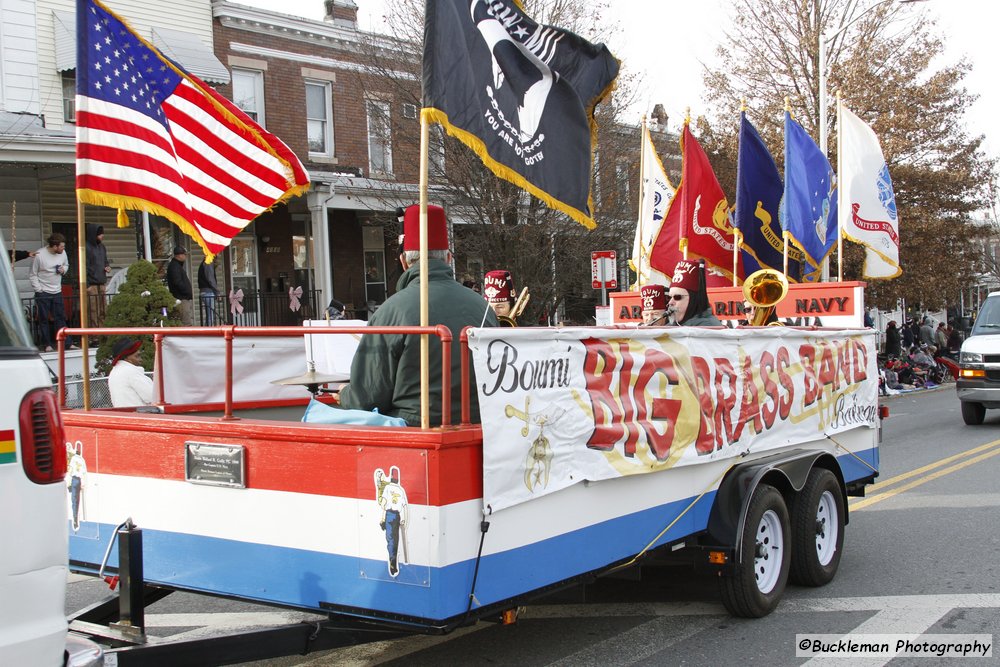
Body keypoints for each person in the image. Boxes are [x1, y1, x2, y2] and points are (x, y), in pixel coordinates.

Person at [339, 204, 499, 426]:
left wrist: (345, 393)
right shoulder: (483, 307)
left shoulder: (390, 311)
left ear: (404, 261)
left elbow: (366, 397)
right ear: (449, 258)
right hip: (481, 429)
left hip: (416, 431)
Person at [29, 233, 75, 352]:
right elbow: (33, 274)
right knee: (43, 319)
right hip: (43, 292)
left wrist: (63, 270)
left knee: (60, 317)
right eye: (61, 247)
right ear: (54, 246)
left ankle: (67, 343)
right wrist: (39, 289)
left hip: (57, 291)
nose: (63, 249)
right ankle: (47, 344)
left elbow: (66, 265)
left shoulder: (62, 253)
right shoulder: (40, 255)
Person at [667, 259, 722, 326]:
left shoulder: (707, 326)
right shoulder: (673, 325)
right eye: (669, 297)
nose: (670, 302)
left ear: (694, 299)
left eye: (677, 297)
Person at [108, 337, 154, 408]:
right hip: (138, 415)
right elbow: (151, 396)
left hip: (124, 414)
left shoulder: (115, 371)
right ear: (127, 358)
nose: (141, 359)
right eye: (137, 356)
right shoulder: (130, 371)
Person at [85, 224, 111, 331]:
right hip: (92, 284)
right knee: (93, 310)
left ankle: (103, 331)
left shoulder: (102, 247)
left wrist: (107, 266)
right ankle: (94, 334)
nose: (102, 236)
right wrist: (87, 284)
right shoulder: (86, 247)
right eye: (100, 234)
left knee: (103, 309)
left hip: (101, 282)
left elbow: (105, 261)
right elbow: (84, 266)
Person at [167, 246, 193, 326]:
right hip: (181, 298)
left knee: (185, 320)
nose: (185, 256)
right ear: (179, 255)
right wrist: (186, 291)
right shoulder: (175, 267)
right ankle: (188, 338)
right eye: (184, 254)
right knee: (186, 323)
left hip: (183, 298)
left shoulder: (177, 266)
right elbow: (177, 282)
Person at [198, 259, 220, 326]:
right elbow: (211, 279)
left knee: (209, 315)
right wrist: (217, 292)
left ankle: (207, 332)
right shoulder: (208, 262)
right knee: (210, 316)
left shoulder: (206, 262)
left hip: (205, 291)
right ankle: (209, 333)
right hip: (208, 292)